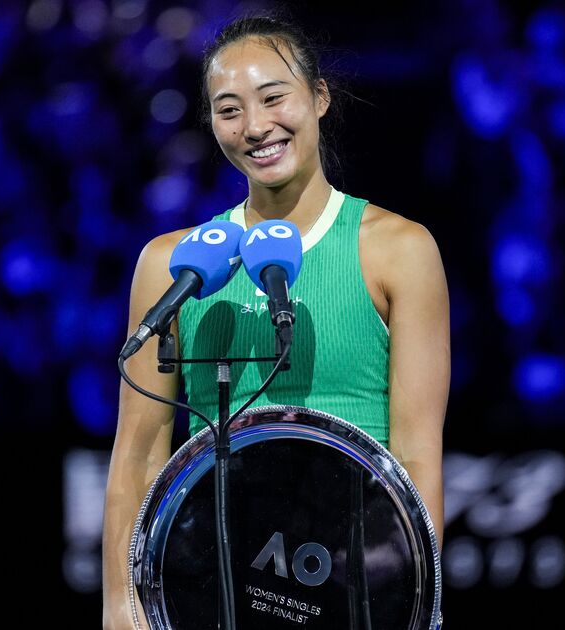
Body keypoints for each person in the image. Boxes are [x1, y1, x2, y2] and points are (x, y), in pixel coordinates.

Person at [102, 14, 449, 629]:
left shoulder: (400, 250)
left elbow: (417, 455)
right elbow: (138, 455)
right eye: (228, 109)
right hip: (215, 592)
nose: (255, 127)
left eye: (273, 98)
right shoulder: (173, 267)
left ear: (319, 98)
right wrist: (121, 612)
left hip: (354, 593)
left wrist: (413, 606)